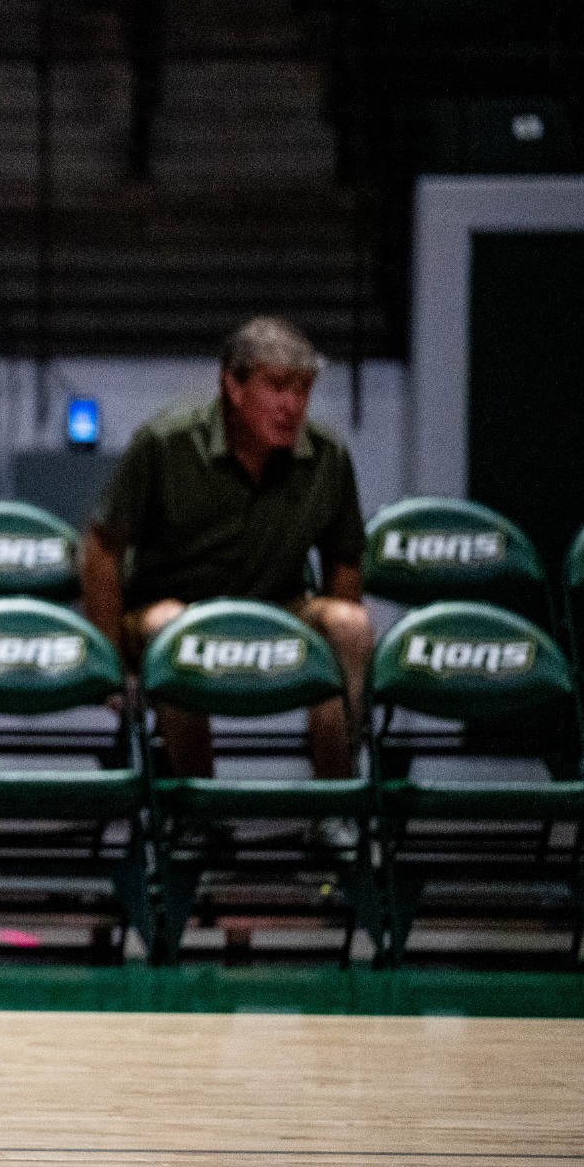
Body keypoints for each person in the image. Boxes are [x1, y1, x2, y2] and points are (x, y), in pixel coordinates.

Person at [80, 316, 373, 845]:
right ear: (233, 387)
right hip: (172, 609)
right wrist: (112, 661)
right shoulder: (166, 442)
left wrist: (329, 632)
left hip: (279, 610)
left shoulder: (327, 454)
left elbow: (344, 559)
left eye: (303, 390)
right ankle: (200, 811)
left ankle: (335, 806)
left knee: (351, 626)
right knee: (174, 625)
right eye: (277, 387)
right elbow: (102, 548)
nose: (292, 406)